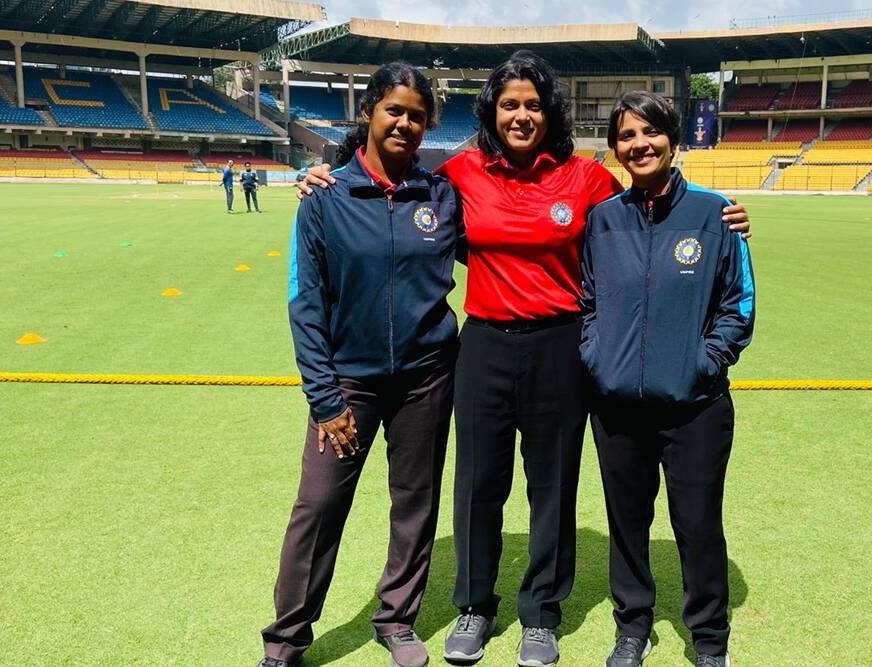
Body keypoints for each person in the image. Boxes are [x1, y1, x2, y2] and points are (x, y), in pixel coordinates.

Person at [296, 50, 750, 667]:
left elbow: (644, 210)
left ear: (549, 111)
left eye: (533, 104)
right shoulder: (460, 172)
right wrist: (320, 174)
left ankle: (541, 614)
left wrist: (724, 215)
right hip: (481, 344)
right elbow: (403, 199)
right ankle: (475, 606)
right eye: (510, 103)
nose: (521, 115)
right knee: (479, 483)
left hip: (560, 346)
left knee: (552, 486)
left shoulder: (586, 178)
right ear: (493, 109)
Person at [258, 61, 462, 667]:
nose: (405, 123)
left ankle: (396, 619)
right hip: (347, 382)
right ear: (370, 112)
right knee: (318, 506)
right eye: (394, 110)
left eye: (417, 116)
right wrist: (325, 399)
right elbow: (306, 303)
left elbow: (513, 243)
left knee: (415, 502)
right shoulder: (325, 197)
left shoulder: (442, 196)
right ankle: (287, 639)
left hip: (427, 378)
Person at [581, 92, 754, 667]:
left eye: (651, 132)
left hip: (694, 407)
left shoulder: (715, 213)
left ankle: (709, 639)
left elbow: (739, 305)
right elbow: (586, 302)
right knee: (627, 525)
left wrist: (703, 363)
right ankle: (632, 627)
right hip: (617, 408)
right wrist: (598, 358)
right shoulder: (602, 221)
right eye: (627, 136)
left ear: (673, 141)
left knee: (698, 524)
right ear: (614, 148)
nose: (640, 145)